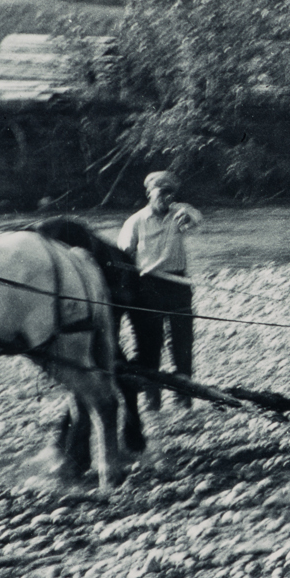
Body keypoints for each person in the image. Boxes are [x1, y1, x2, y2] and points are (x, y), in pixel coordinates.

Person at [117, 171, 203, 412]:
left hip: (178, 283)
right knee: (149, 345)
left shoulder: (179, 214)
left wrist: (189, 214)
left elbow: (196, 218)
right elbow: (123, 257)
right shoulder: (134, 222)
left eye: (171, 192)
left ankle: (184, 399)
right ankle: (152, 402)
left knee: (182, 343)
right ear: (149, 193)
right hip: (148, 288)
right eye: (162, 191)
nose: (167, 196)